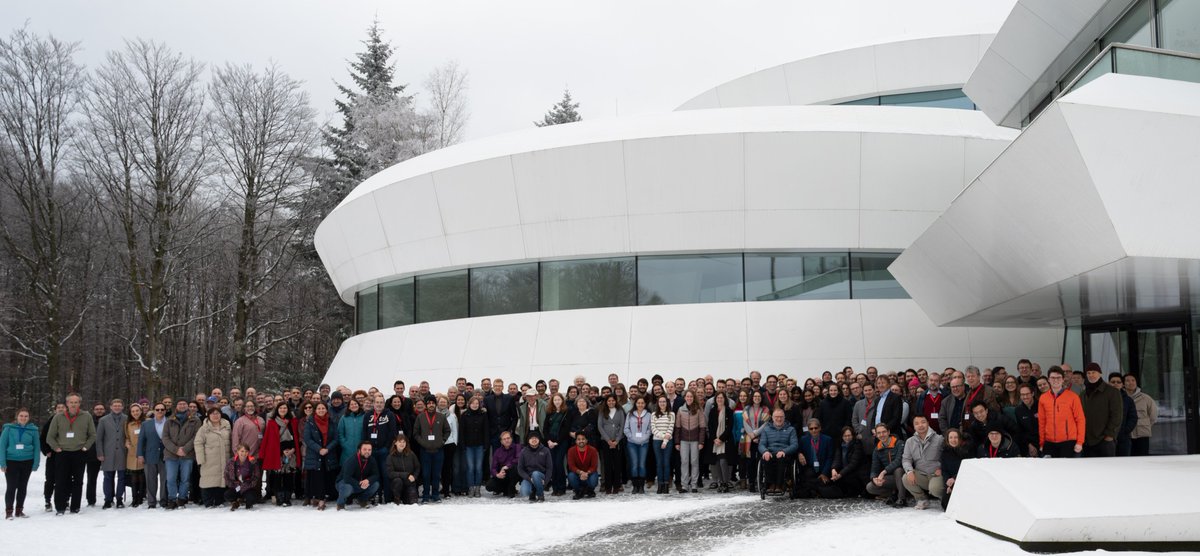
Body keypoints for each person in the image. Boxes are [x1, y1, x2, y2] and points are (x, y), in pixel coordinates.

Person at [46, 393, 96, 515]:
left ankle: (75, 507)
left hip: (79, 453)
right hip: (63, 453)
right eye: (71, 402)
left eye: (76, 402)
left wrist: (86, 447)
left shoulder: (86, 416)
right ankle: (60, 507)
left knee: (78, 481)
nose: (73, 404)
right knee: (60, 481)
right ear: (67, 403)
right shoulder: (58, 417)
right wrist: (56, 448)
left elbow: (93, 435)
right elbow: (50, 437)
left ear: (79, 403)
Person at [1039, 366, 1086, 458]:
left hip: (1069, 442)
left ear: (1063, 379)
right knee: (1050, 471)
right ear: (1048, 379)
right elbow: (1042, 422)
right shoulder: (1043, 398)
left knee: (1068, 471)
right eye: (1052, 377)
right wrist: (1042, 442)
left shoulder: (1073, 397)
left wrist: (1080, 442)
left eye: (1058, 377)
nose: (1055, 380)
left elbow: (1080, 419)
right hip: (1049, 442)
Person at [2, 408, 40, 519]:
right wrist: (2, 463)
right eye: (21, 416)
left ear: (29, 418)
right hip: (11, 461)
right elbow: (2, 446)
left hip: (27, 462)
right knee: (11, 487)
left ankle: (19, 510)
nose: (23, 418)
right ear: (17, 417)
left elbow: (37, 447)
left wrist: (36, 463)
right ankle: (9, 511)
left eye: (26, 416)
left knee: (23, 487)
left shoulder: (33, 430)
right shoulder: (8, 428)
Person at [162, 399, 200, 510]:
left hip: (187, 454)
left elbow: (196, 436)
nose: (182, 405)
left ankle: (182, 498)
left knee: (185, 478)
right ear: (176, 406)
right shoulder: (169, 420)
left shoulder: (195, 420)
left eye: (184, 404)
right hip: (171, 454)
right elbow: (165, 437)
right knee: (171, 478)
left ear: (188, 406)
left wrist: (185, 449)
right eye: (180, 403)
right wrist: (176, 449)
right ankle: (172, 499)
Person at [412, 396, 451, 503]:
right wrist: (422, 443)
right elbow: (415, 433)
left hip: (438, 450)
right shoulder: (420, 417)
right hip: (425, 451)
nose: (431, 405)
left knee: (436, 474)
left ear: (436, 404)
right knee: (425, 474)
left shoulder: (441, 417)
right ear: (426, 405)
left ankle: (435, 495)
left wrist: (442, 441)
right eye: (429, 403)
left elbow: (447, 430)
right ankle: (425, 496)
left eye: (433, 403)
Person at [261, 401, 301, 506]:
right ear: (277, 410)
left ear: (288, 410)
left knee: (289, 475)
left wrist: (293, 449)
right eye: (280, 408)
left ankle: (287, 498)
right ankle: (279, 497)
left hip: (291, 453)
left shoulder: (293, 422)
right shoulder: (272, 422)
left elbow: (296, 436)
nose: (283, 410)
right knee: (277, 476)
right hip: (277, 453)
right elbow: (270, 440)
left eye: (285, 408)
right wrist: (282, 450)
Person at [900, 415, 943, 510]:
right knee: (906, 478)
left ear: (928, 423)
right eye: (917, 423)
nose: (920, 425)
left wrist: (942, 469)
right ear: (914, 426)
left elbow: (947, 457)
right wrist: (910, 471)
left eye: (923, 422)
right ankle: (922, 499)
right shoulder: (910, 442)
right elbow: (906, 459)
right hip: (922, 475)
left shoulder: (939, 439)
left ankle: (945, 498)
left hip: (936, 475)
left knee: (935, 489)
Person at [303, 402, 339, 510]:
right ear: (315, 410)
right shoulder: (310, 422)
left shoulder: (332, 422)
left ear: (326, 410)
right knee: (317, 477)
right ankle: (320, 499)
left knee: (327, 476)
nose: (321, 410)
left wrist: (327, 448)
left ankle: (324, 497)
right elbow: (307, 439)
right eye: (319, 408)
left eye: (323, 408)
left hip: (328, 453)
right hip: (315, 453)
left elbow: (336, 438)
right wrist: (319, 449)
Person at [1081, 362, 1121, 458]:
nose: (1091, 375)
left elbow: (1117, 415)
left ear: (1100, 374)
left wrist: (1109, 435)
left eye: (1094, 372)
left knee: (1107, 470)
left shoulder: (1112, 392)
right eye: (1089, 373)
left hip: (1105, 441)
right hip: (1087, 441)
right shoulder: (1082, 394)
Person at [193, 407, 230, 508]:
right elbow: (198, 443)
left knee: (221, 480)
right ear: (208, 415)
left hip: (224, 458)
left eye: (217, 413)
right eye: (212, 413)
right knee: (207, 480)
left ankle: (219, 500)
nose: (215, 415)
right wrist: (200, 459)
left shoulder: (226, 426)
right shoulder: (204, 428)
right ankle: (208, 501)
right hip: (209, 459)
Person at [95, 399, 128, 509]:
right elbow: (99, 438)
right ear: (111, 407)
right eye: (115, 405)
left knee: (122, 477)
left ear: (122, 407)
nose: (117, 407)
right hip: (108, 453)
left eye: (119, 405)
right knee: (108, 477)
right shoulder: (104, 420)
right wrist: (100, 453)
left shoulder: (127, 419)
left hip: (123, 453)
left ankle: (119, 499)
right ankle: (108, 499)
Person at [818, 426, 867, 499]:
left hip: (856, 473)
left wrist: (840, 474)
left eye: (849, 435)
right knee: (831, 478)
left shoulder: (857, 445)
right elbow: (837, 459)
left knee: (845, 479)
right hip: (844, 471)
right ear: (842, 437)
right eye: (845, 436)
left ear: (853, 436)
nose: (847, 438)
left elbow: (853, 464)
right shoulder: (840, 445)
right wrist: (833, 469)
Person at [136, 403, 169, 509]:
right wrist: (140, 454)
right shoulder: (146, 424)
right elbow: (141, 440)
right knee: (150, 480)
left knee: (165, 480)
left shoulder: (170, 422)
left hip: (166, 455)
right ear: (154, 411)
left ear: (165, 411)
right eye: (157, 409)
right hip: (150, 455)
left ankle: (164, 500)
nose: (160, 411)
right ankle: (151, 502)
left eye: (162, 409)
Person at [758, 409, 798, 495]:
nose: (779, 419)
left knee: (781, 458)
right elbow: (761, 444)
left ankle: (780, 485)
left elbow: (794, 445)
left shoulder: (791, 429)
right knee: (766, 458)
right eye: (776, 417)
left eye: (781, 417)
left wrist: (784, 451)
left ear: (784, 418)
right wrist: (765, 451)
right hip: (770, 453)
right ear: (772, 418)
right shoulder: (766, 429)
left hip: (784, 454)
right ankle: (771, 484)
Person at [865, 423, 906, 507]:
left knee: (898, 470)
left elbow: (899, 461)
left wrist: (884, 471)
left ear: (888, 432)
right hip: (891, 479)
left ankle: (902, 499)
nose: (882, 435)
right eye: (879, 433)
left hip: (904, 477)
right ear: (876, 435)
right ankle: (893, 494)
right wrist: (874, 479)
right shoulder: (877, 450)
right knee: (870, 487)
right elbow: (874, 468)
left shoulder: (899, 443)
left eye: (884, 432)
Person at [674, 390, 706, 493]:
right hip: (683, 440)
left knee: (694, 462)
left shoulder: (698, 409)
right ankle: (684, 485)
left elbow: (702, 427)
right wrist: (677, 442)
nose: (689, 398)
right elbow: (677, 427)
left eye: (691, 397)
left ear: (694, 398)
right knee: (684, 462)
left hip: (695, 440)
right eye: (687, 397)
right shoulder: (680, 410)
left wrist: (701, 442)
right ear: (685, 398)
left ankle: (694, 485)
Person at [795, 418, 833, 499]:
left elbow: (829, 458)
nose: (814, 430)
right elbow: (798, 450)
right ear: (808, 430)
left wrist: (824, 473)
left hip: (823, 468)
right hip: (810, 469)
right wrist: (799, 454)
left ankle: (813, 489)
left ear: (820, 428)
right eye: (811, 428)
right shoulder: (803, 440)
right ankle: (816, 489)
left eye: (816, 428)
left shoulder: (827, 439)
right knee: (808, 478)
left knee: (822, 482)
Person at [336, 441, 380, 510]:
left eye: (369, 450)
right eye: (364, 449)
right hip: (345, 483)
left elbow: (376, 475)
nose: (367, 452)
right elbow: (347, 478)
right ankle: (340, 504)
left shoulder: (372, 460)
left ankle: (362, 500)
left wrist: (368, 480)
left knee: (376, 484)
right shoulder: (351, 460)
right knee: (348, 488)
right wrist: (360, 483)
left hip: (360, 483)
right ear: (359, 450)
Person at [458, 395, 488, 498]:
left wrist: (486, 444)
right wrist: (462, 445)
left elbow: (486, 431)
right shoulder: (464, 415)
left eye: (477, 403)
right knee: (470, 468)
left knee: (478, 468)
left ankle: (477, 488)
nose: (475, 405)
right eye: (473, 403)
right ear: (469, 404)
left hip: (480, 445)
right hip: (468, 446)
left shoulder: (483, 415)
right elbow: (461, 432)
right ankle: (471, 488)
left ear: (479, 405)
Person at [706, 391, 736, 493]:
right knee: (717, 462)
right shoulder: (712, 411)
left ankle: (725, 482)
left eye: (721, 398)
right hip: (715, 442)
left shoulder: (729, 411)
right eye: (718, 398)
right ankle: (721, 483)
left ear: (725, 399)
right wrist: (715, 438)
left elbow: (730, 427)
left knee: (723, 461)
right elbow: (710, 426)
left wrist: (721, 438)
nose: (720, 399)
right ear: (715, 399)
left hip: (725, 441)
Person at [541, 393, 571, 497]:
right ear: (552, 401)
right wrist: (549, 441)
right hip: (550, 443)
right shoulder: (549, 412)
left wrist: (556, 442)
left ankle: (561, 488)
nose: (557, 402)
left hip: (561, 442)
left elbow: (566, 429)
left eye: (559, 400)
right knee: (552, 465)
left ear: (562, 401)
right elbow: (545, 429)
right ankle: (555, 488)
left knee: (559, 463)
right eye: (555, 400)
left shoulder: (566, 412)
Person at [739, 390, 768, 493]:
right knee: (750, 462)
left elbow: (765, 424)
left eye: (759, 396)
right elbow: (745, 423)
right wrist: (752, 435)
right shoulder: (746, 409)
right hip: (748, 439)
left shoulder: (765, 409)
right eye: (755, 396)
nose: (757, 398)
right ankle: (751, 482)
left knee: (760, 461)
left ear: (761, 398)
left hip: (761, 438)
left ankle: (760, 481)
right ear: (752, 398)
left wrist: (756, 434)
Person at [596, 394, 626, 494]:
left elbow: (622, 426)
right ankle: (608, 486)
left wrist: (616, 440)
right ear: (606, 402)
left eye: (613, 400)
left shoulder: (620, 411)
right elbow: (600, 426)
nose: (611, 402)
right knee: (607, 464)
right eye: (609, 401)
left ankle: (616, 486)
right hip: (606, 441)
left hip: (617, 441)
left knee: (617, 464)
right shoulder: (602, 411)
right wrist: (608, 440)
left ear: (616, 401)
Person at [623, 395, 652, 494]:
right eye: (638, 403)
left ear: (645, 404)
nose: (640, 405)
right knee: (634, 464)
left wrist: (645, 437)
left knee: (642, 465)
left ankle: (641, 486)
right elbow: (626, 428)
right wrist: (631, 437)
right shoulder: (630, 414)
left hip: (644, 443)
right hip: (632, 443)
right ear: (635, 404)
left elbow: (650, 429)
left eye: (642, 403)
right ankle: (635, 486)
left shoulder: (648, 415)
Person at [1124, 374, 1158, 456]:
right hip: (1126, 435)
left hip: (1142, 434)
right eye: (1127, 380)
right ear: (1123, 383)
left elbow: (1153, 415)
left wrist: (1145, 425)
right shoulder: (1120, 398)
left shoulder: (1146, 398)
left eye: (1133, 380)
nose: (1130, 383)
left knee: (1142, 458)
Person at [939, 428, 970, 510]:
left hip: (963, 480)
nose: (953, 440)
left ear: (959, 438)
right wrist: (948, 483)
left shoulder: (966, 451)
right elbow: (944, 470)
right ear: (947, 439)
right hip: (951, 481)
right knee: (945, 505)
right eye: (951, 437)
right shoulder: (945, 453)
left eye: (956, 437)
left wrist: (954, 479)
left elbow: (967, 469)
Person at [517, 431, 552, 502]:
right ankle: (534, 490)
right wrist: (529, 478)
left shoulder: (546, 450)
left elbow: (549, 468)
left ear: (539, 440)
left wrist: (546, 482)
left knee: (535, 474)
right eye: (531, 438)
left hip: (541, 476)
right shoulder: (523, 451)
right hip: (529, 477)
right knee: (524, 493)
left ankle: (540, 495)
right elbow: (520, 468)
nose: (534, 440)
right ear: (528, 440)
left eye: (536, 438)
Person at [650, 395, 675, 494]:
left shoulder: (671, 414)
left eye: (664, 401)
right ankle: (660, 484)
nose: (662, 403)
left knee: (666, 463)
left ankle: (666, 485)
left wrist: (665, 440)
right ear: (658, 403)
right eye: (660, 402)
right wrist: (662, 437)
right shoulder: (653, 414)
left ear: (667, 403)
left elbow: (671, 428)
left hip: (668, 441)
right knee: (659, 463)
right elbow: (653, 428)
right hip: (656, 440)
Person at [223, 444, 260, 511]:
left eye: (246, 451)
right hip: (235, 486)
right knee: (227, 495)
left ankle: (244, 501)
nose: (244, 453)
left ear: (248, 452)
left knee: (252, 498)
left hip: (247, 487)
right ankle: (235, 502)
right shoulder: (231, 462)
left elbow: (256, 476)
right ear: (237, 451)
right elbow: (226, 475)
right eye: (242, 451)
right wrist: (232, 485)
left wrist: (248, 485)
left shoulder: (253, 462)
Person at [385, 434, 420, 505]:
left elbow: (417, 467)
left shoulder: (411, 454)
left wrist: (414, 476)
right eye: (400, 442)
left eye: (404, 442)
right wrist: (406, 475)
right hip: (397, 485)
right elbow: (390, 473)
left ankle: (405, 497)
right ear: (395, 443)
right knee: (398, 481)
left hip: (409, 483)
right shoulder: (390, 457)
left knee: (413, 503)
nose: (402, 444)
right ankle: (396, 498)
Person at [1109, 373, 1138, 457]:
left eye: (1118, 382)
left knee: (1124, 464)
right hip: (1106, 439)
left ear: (1122, 384)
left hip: (1124, 438)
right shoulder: (1103, 399)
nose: (1116, 384)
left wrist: (1125, 431)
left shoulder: (1128, 400)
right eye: (1113, 382)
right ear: (1108, 383)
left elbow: (1133, 418)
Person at [123, 403, 146, 507]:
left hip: (143, 452)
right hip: (132, 453)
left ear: (141, 411)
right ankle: (134, 498)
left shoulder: (146, 422)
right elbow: (127, 437)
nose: (135, 413)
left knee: (142, 476)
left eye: (137, 411)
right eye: (133, 411)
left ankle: (141, 497)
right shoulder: (128, 424)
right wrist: (127, 443)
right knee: (133, 477)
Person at [487, 431, 521, 497]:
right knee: (489, 486)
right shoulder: (498, 452)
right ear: (501, 442)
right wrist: (497, 475)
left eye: (508, 438)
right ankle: (505, 489)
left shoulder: (517, 447)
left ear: (511, 439)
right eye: (504, 439)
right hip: (503, 474)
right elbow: (493, 468)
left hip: (514, 473)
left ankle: (511, 488)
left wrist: (507, 466)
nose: (506, 440)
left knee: (515, 468)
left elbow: (518, 459)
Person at [567, 432, 600, 499]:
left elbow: (594, 466)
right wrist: (581, 472)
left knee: (594, 479)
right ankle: (578, 491)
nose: (581, 441)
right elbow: (571, 466)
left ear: (586, 440)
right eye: (578, 439)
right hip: (577, 474)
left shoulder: (593, 450)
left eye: (583, 439)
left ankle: (589, 490)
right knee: (571, 475)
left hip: (589, 473)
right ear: (576, 441)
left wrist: (587, 473)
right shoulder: (571, 450)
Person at [1013, 385, 1040, 457]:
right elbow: (1020, 431)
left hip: (1042, 443)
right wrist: (1029, 445)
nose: (1025, 397)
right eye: (1022, 395)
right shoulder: (1018, 410)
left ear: (1032, 394)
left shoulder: (1041, 406)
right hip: (1027, 444)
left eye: (1027, 394)